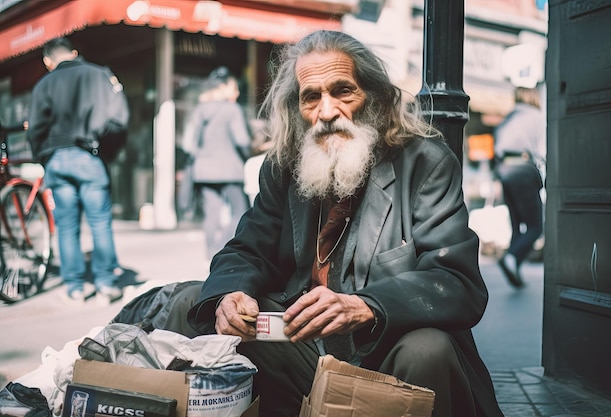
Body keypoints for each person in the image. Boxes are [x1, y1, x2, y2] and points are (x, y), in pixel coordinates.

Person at [184, 30, 504, 417]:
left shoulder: (424, 163)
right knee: (222, 314)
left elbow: (457, 282)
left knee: (428, 347)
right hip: (310, 354)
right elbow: (248, 248)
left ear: (376, 98)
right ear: (297, 109)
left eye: (343, 91)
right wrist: (229, 296)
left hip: (386, 354)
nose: (328, 110)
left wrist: (366, 306)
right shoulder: (283, 167)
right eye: (312, 97)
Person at [27, 37, 125, 304]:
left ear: (48, 61)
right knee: (99, 222)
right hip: (90, 156)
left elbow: (36, 128)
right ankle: (106, 283)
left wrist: (43, 158)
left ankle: (75, 286)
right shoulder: (101, 75)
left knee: (67, 226)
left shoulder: (43, 84)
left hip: (57, 159)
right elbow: (119, 120)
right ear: (74, 53)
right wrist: (106, 154)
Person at [181, 67, 252, 264]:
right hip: (230, 169)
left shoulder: (199, 110)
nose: (237, 93)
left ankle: (211, 253)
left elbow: (188, 143)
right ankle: (223, 248)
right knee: (240, 211)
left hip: (203, 170)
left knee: (211, 214)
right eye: (234, 88)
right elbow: (242, 140)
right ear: (223, 88)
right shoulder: (232, 110)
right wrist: (248, 155)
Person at [494, 86, 546, 287]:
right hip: (523, 170)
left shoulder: (507, 119)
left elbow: (497, 149)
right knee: (535, 227)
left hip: (504, 171)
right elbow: (542, 150)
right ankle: (512, 258)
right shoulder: (536, 117)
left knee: (517, 226)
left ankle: (514, 268)